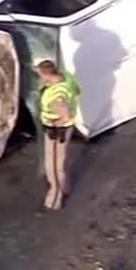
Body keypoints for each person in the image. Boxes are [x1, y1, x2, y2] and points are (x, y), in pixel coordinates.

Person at [36, 59, 80, 210]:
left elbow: (65, 114)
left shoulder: (55, 95)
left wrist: (56, 122)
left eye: (41, 75)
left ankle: (55, 197)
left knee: (53, 165)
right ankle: (65, 187)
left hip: (55, 131)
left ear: (47, 76)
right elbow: (77, 91)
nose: (40, 78)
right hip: (66, 129)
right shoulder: (67, 77)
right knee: (62, 161)